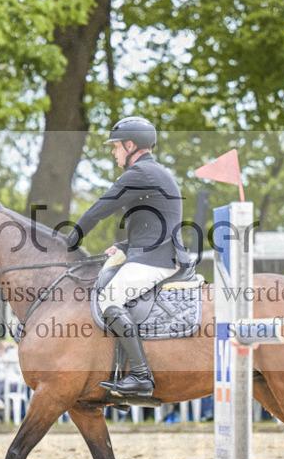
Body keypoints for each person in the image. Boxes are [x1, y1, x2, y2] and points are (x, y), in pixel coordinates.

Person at [65, 117, 191, 399]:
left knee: (109, 299)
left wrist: (72, 238)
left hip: (156, 258)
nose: (113, 152)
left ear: (131, 145)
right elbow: (154, 222)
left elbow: (101, 207)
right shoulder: (151, 173)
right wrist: (123, 246)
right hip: (152, 252)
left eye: (116, 146)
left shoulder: (140, 173)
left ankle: (141, 376)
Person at [0, 339, 22, 425]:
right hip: (0, 383)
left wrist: (9, 358)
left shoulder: (13, 355)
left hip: (14, 384)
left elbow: (20, 372)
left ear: (3, 349)